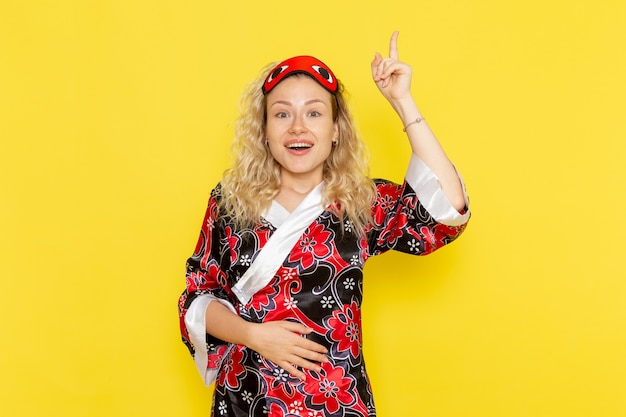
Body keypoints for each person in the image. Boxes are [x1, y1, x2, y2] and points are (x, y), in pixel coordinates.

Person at [178, 32, 470, 417]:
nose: (298, 127)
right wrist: (253, 335)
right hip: (246, 399)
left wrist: (402, 101)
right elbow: (196, 298)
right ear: (264, 131)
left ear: (335, 131)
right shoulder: (230, 200)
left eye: (314, 113)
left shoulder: (361, 201)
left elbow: (447, 210)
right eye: (282, 114)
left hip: (336, 401)